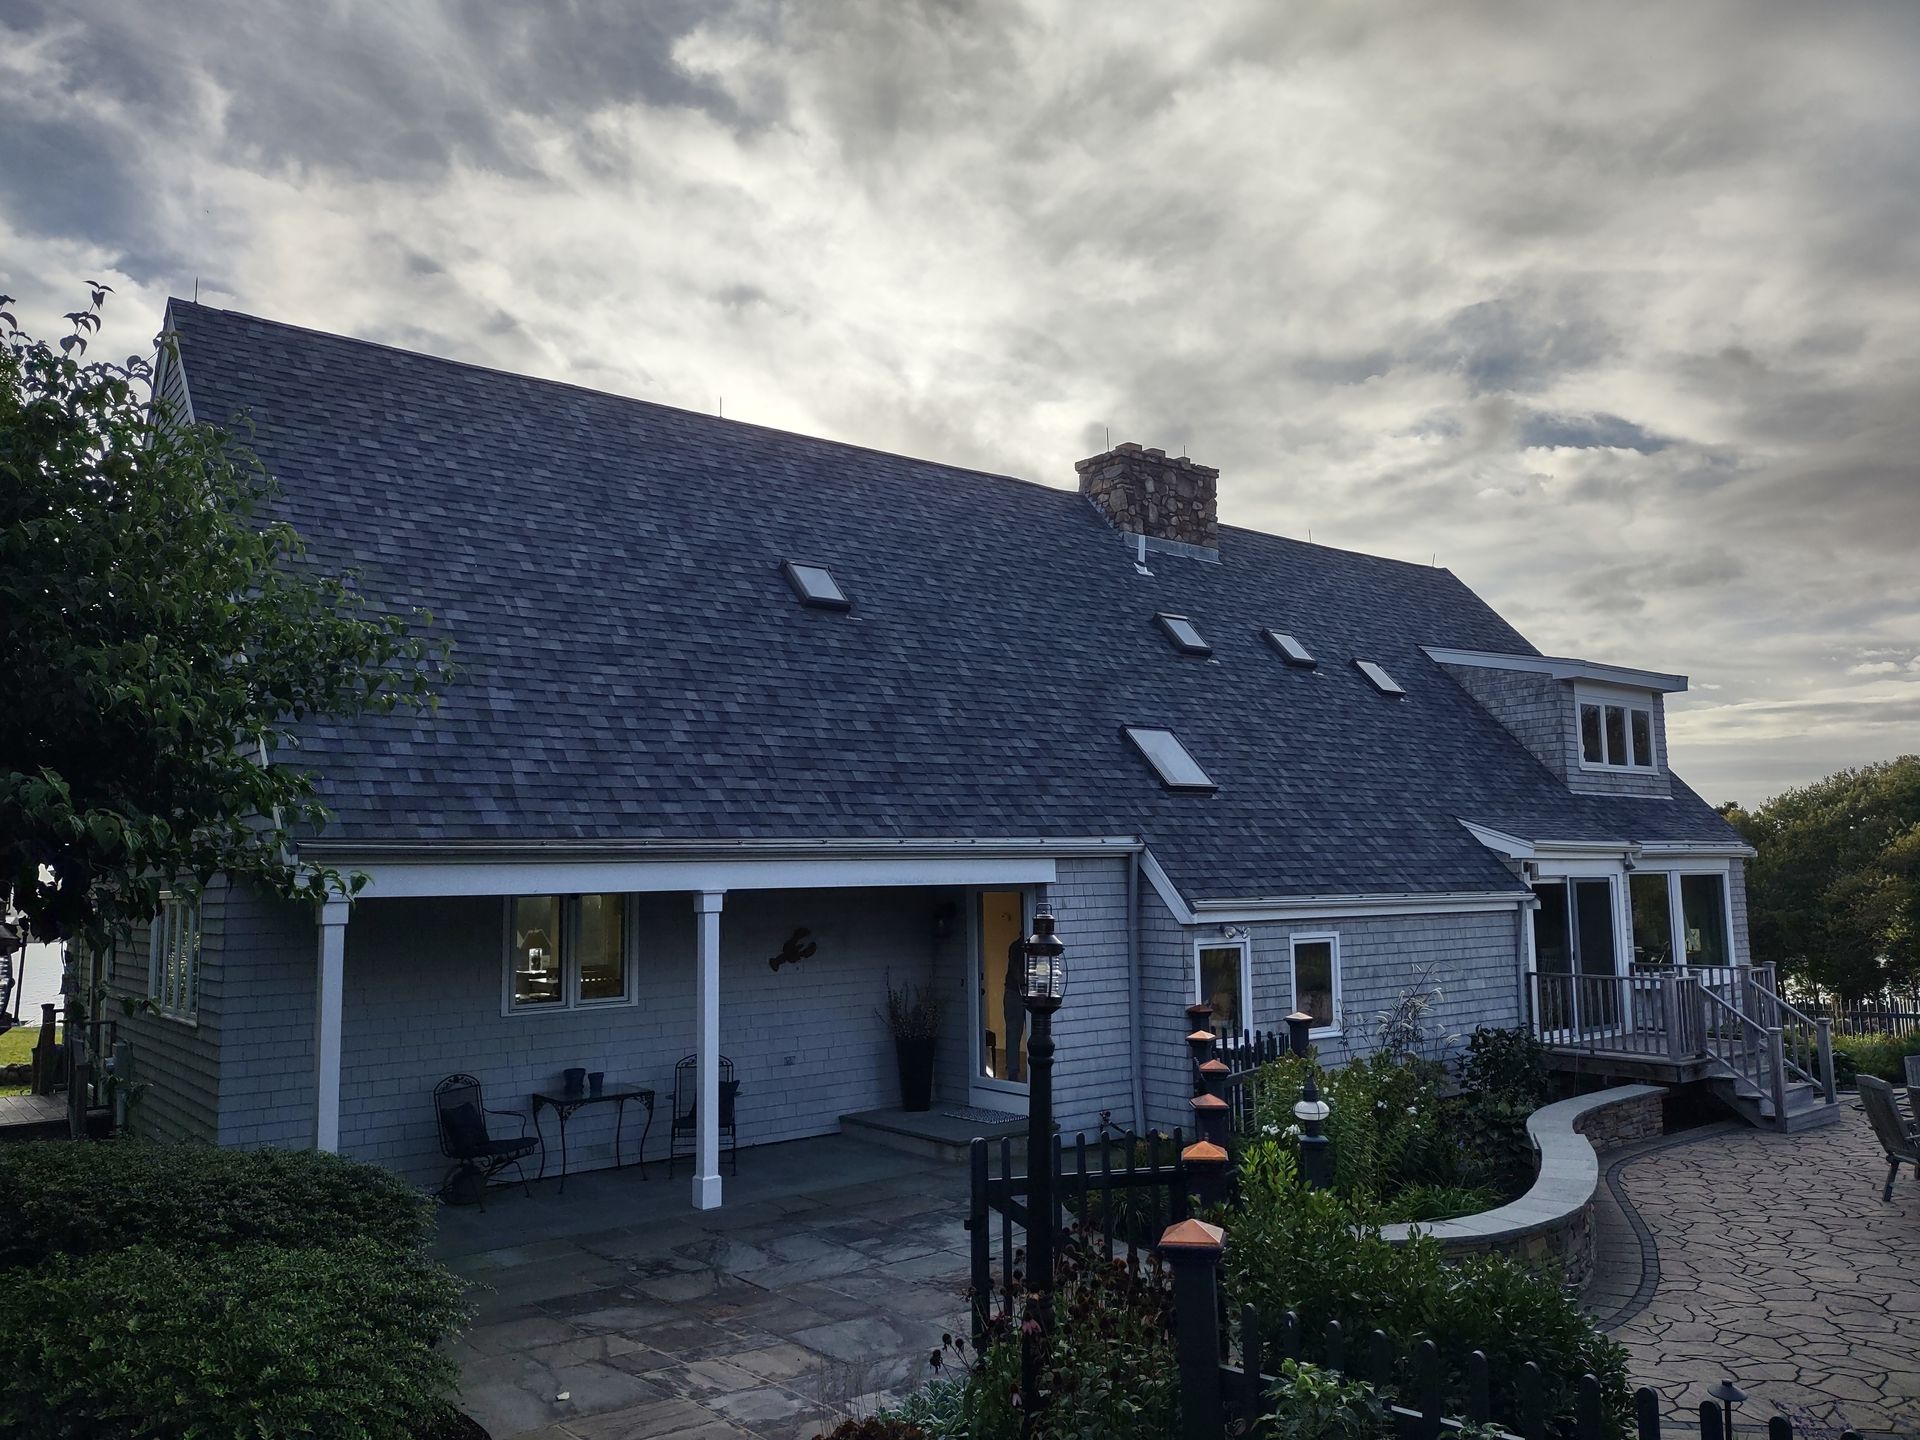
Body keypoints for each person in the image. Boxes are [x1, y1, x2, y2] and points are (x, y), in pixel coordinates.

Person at [1001, 934, 1027, 1082]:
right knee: (1013, 1032)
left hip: (1016, 991)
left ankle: (1013, 1072)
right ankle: (1012, 1072)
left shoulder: (1015, 946)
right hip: (1015, 992)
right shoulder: (1017, 947)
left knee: (1013, 1032)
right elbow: (1016, 971)